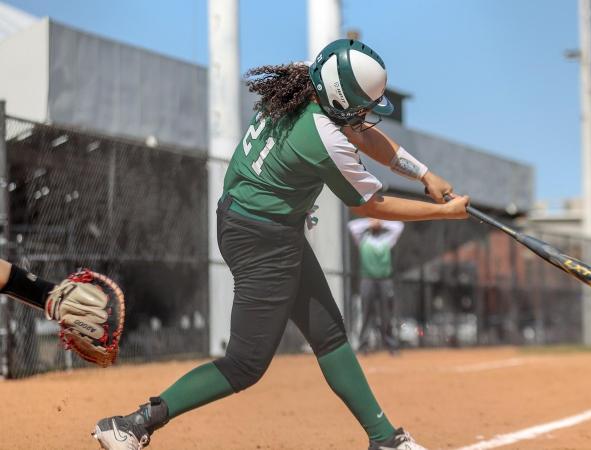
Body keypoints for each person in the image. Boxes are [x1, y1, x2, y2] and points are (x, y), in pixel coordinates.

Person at [92, 39, 468, 450]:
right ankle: (132, 424)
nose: (364, 117)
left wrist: (423, 174)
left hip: (261, 222)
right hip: (261, 237)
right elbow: (370, 205)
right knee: (245, 364)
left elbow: (360, 132)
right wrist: (446, 213)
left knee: (330, 335)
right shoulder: (323, 137)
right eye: (359, 107)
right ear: (340, 98)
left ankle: (385, 439)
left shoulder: (311, 76)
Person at [349, 218, 404, 354]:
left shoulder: (387, 240)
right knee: (366, 313)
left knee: (387, 314)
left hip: (385, 280)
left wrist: (381, 221)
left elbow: (399, 225)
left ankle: (391, 345)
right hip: (367, 279)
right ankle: (363, 345)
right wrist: (370, 221)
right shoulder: (363, 240)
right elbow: (352, 226)